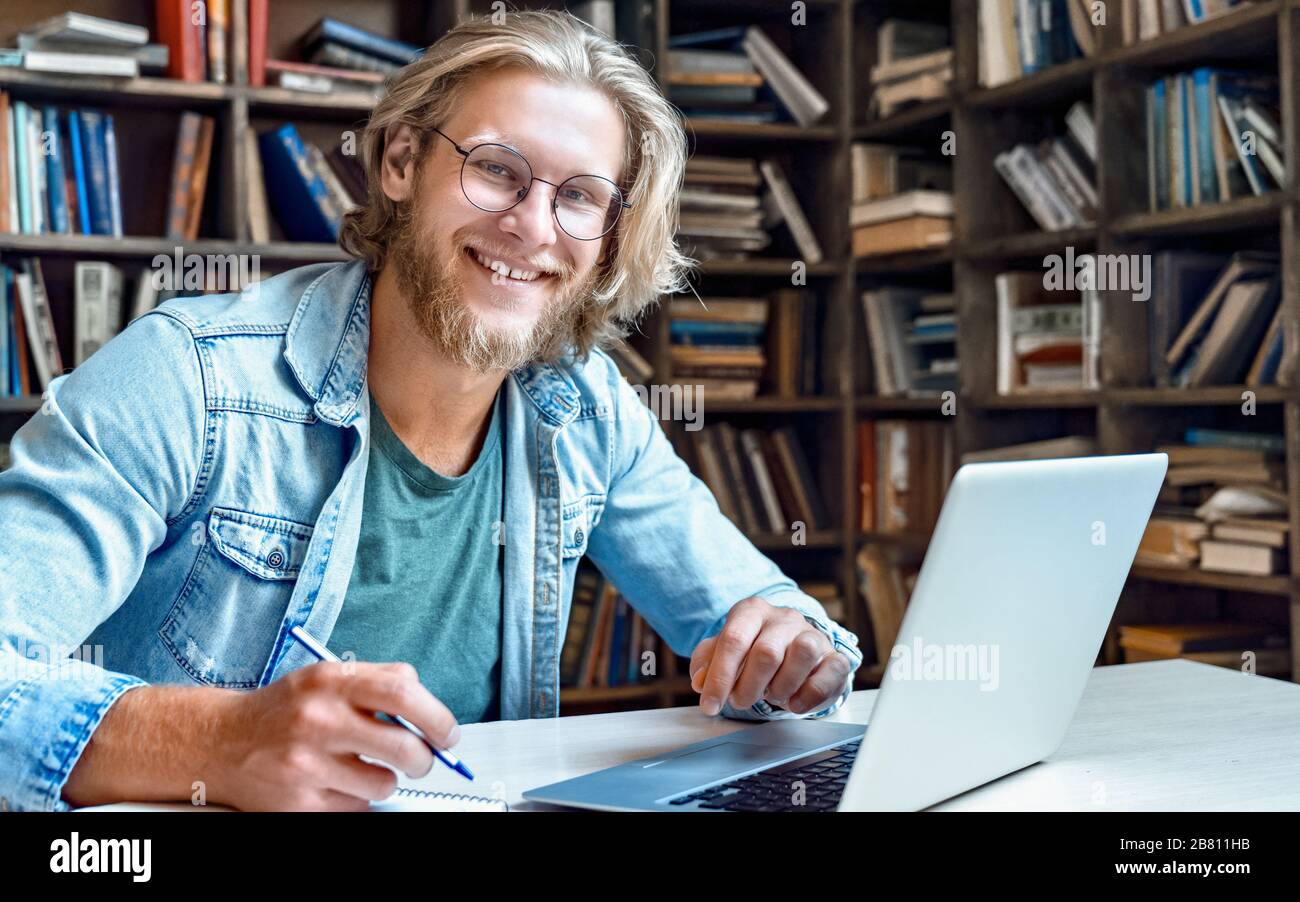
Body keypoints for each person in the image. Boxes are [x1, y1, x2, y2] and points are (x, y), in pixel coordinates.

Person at [0, 9, 861, 812]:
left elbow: (765, 618)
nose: (533, 226)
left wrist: (796, 654)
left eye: (581, 196)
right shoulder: (186, 375)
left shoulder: (587, 407)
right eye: (495, 169)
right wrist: (221, 742)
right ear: (401, 163)